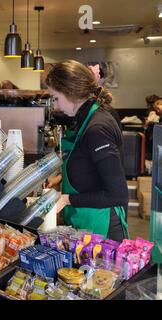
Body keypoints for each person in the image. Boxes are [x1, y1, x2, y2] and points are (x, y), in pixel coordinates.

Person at [46, 60, 128, 241]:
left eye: (56, 98)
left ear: (70, 93)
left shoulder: (97, 128)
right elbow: (86, 162)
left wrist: (67, 199)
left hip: (103, 228)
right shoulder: (83, 118)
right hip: (84, 221)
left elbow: (118, 194)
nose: (56, 106)